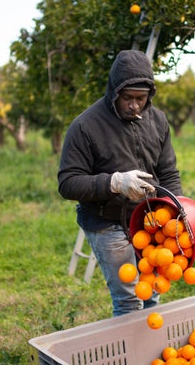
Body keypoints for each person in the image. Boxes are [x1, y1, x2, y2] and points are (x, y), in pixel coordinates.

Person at [58, 50, 183, 316]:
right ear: (114, 92)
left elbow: (168, 172)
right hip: (107, 222)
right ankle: (129, 356)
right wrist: (114, 183)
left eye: (141, 98)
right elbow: (68, 183)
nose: (135, 105)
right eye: (127, 98)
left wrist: (176, 209)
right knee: (128, 300)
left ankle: (151, 356)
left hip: (149, 221)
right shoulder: (85, 126)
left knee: (151, 293)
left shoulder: (158, 120)